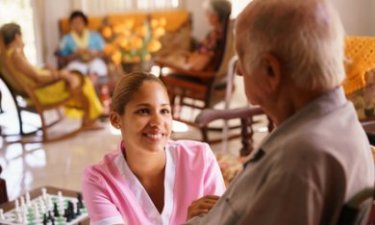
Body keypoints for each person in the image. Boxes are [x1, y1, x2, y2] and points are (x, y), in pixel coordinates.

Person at [185, 0, 375, 224]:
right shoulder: (341, 122)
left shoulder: (299, 161)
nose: (238, 71)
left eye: (242, 58)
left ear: (270, 71)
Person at [82, 72, 226, 225]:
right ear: (116, 120)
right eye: (143, 111)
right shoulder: (98, 179)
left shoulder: (200, 157)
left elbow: (225, 220)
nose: (157, 122)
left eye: (164, 111)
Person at [0, 22, 103, 128]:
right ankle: (90, 119)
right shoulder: (15, 56)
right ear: (17, 36)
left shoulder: (8, 57)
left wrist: (48, 70)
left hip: (37, 91)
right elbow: (38, 78)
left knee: (76, 79)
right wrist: (61, 75)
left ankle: (89, 116)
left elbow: (29, 74)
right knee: (82, 81)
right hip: (41, 93)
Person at [158, 0, 231, 72]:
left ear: (215, 16)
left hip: (196, 74)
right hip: (192, 65)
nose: (206, 17)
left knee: (161, 62)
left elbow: (198, 66)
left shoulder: (215, 37)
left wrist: (181, 64)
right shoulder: (222, 33)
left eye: (207, 14)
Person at [58, 10, 108, 79]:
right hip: (76, 62)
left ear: (85, 23)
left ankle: (95, 86)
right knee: (74, 72)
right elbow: (63, 57)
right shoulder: (66, 39)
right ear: (71, 24)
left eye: (80, 22)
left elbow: (103, 52)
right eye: (74, 23)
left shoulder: (95, 35)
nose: (77, 25)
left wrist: (92, 54)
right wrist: (76, 55)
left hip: (94, 60)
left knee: (98, 68)